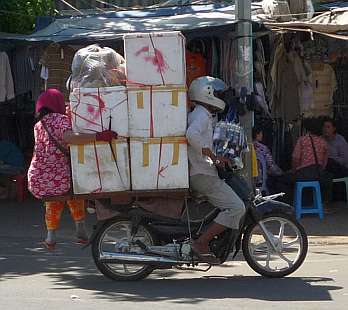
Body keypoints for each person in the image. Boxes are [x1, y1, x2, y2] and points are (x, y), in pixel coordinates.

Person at [28, 89, 117, 250]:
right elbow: (70, 138)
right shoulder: (60, 119)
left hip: (38, 179)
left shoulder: (38, 125)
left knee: (54, 198)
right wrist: (98, 136)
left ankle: (50, 236)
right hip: (60, 178)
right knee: (75, 190)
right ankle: (81, 229)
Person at [186, 76, 246, 263]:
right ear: (208, 94)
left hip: (204, 171)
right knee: (236, 207)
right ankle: (201, 243)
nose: (221, 97)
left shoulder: (203, 114)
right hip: (202, 174)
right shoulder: (202, 115)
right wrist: (213, 156)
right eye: (218, 94)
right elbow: (192, 135)